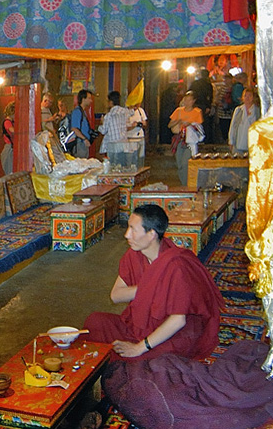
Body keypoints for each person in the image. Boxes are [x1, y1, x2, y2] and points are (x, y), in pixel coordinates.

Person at [84, 204, 223, 361]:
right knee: (95, 322)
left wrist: (140, 347)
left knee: (149, 362)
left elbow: (178, 320)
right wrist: (150, 287)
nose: (126, 235)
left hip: (171, 333)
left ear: (151, 234)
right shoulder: (134, 255)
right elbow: (116, 295)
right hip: (139, 326)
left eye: (133, 229)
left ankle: (136, 359)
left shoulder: (176, 265)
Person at [168, 91, 203, 186]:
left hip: (190, 141)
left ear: (193, 101)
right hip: (179, 139)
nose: (187, 102)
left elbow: (199, 126)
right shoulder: (178, 111)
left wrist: (190, 124)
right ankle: (184, 182)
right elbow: (170, 124)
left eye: (189, 100)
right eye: (186, 100)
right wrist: (178, 121)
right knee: (179, 164)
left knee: (185, 163)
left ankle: (186, 185)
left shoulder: (197, 112)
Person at [99, 90, 132, 169]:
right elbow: (131, 115)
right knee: (123, 167)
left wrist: (102, 123)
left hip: (113, 146)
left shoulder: (109, 115)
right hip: (124, 144)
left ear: (111, 102)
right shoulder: (125, 112)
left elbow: (103, 131)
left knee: (113, 168)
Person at [227, 87, 260, 154]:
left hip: (252, 143)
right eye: (245, 96)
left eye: (250, 96)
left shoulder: (257, 111)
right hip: (239, 143)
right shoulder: (239, 110)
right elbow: (233, 126)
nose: (247, 98)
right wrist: (231, 141)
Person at [189, 68, 214, 144]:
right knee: (204, 123)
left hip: (195, 105)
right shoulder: (208, 85)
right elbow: (210, 96)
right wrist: (208, 106)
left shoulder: (195, 83)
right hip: (203, 106)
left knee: (194, 122)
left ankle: (195, 138)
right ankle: (204, 139)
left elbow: (190, 92)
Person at [70, 89, 96, 159]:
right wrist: (84, 139)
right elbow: (74, 128)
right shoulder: (77, 112)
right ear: (83, 99)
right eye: (89, 98)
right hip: (80, 143)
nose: (91, 101)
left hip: (83, 143)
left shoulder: (82, 112)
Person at [126, 96, 148, 166]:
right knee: (130, 160)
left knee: (140, 158)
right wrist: (133, 126)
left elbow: (145, 123)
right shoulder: (126, 113)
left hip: (140, 138)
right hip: (131, 139)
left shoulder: (140, 111)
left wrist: (141, 124)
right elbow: (124, 128)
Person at [1, 102, 15, 175]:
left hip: (11, 147)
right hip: (9, 147)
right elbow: (11, 130)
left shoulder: (10, 121)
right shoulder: (7, 122)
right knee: (9, 169)